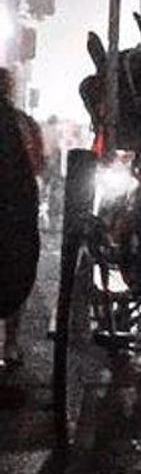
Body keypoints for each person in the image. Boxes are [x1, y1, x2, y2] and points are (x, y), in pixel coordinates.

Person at [0, 67, 44, 367]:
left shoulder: (23, 124)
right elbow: (37, 164)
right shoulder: (24, 124)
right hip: (16, 212)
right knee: (15, 271)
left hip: (15, 210)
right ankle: (11, 343)